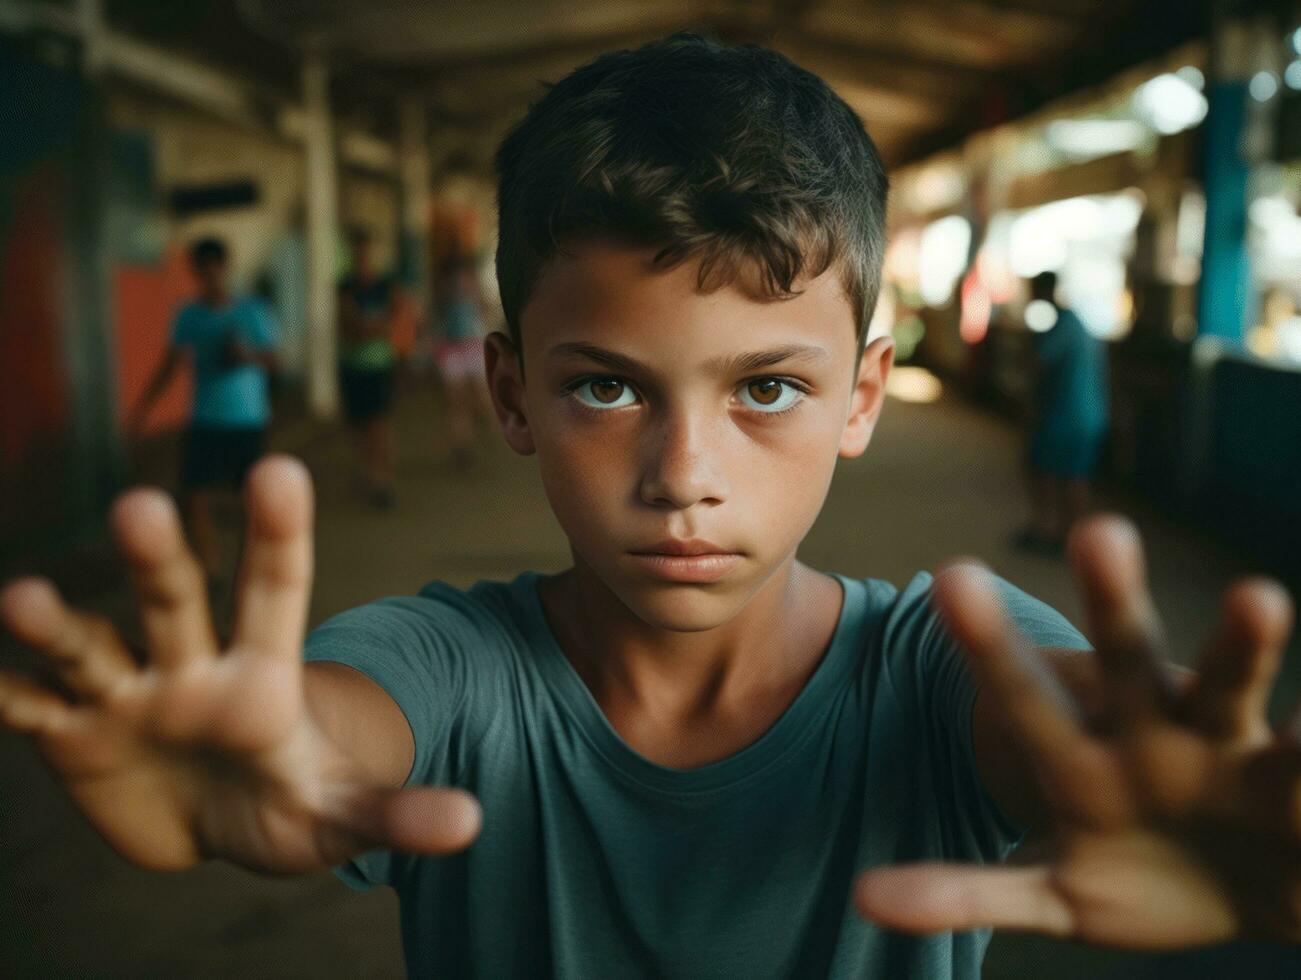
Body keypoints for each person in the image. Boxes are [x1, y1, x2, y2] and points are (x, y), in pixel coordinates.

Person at [3, 34, 1300, 979]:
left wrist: (1208, 809)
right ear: (510, 395)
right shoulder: (447, 667)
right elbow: (333, 729)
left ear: (863, 398)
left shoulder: (939, 667)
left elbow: (1079, 735)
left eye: (769, 389)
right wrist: (255, 752)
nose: (685, 473)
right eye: (611, 386)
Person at [128, 236, 278, 585]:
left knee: (252, 501)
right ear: (197, 274)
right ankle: (211, 569)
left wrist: (247, 357)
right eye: (204, 272)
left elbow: (274, 360)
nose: (211, 278)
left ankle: (248, 568)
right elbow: (171, 364)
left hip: (247, 420)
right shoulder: (189, 315)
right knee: (194, 495)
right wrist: (143, 409)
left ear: (226, 268)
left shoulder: (251, 310)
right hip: (205, 419)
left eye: (216, 270)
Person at [1015, 271, 1110, 554]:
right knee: (1073, 474)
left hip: (1068, 416)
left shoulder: (1063, 326)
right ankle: (1066, 536)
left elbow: (1035, 362)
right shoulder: (1073, 323)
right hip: (1087, 414)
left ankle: (1051, 530)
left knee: (1047, 470)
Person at [338, 229, 401, 508]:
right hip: (353, 366)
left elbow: (392, 323)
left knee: (379, 425)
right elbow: (351, 326)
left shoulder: (386, 286)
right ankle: (369, 474)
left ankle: (382, 480)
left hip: (379, 366)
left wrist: (368, 327)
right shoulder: (345, 287)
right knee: (360, 426)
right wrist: (373, 327)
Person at [434, 247, 494, 467]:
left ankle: (474, 434)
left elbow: (485, 309)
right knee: (456, 401)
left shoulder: (472, 285)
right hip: (452, 347)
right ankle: (462, 445)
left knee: (478, 398)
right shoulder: (443, 289)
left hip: (470, 345)